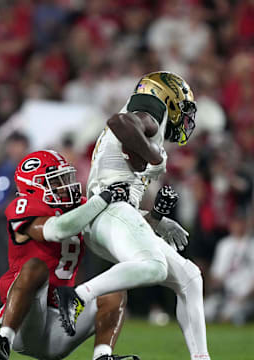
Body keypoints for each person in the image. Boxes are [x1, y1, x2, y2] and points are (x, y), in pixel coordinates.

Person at [54, 72, 211, 360]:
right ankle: (78, 296)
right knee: (154, 266)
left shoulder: (149, 123)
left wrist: (156, 220)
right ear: (169, 97)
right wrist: (152, 155)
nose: (186, 119)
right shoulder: (152, 109)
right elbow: (118, 122)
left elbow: (127, 189)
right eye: (184, 108)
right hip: (109, 210)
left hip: (113, 213)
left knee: (190, 277)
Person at [0, 150, 139, 360]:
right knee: (35, 267)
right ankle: (4, 342)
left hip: (63, 323)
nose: (65, 184)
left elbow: (128, 229)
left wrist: (156, 216)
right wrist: (102, 199)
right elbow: (56, 230)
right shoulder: (24, 206)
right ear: (33, 187)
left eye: (65, 177)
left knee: (114, 288)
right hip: (25, 321)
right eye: (55, 181)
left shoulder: (80, 206)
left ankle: (102, 356)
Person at [204, 212, 254, 325]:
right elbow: (216, 275)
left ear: (247, 223)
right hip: (226, 295)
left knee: (233, 315)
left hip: (248, 297)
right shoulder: (224, 245)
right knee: (205, 311)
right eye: (235, 222)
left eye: (241, 222)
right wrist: (216, 288)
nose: (238, 225)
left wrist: (245, 297)